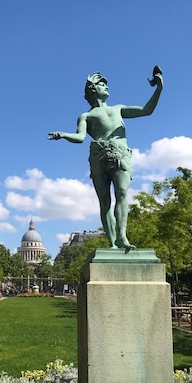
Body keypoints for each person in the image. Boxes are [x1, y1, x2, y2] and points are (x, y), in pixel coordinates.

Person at [48, 67, 163, 251]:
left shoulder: (118, 109)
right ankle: (112, 244)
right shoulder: (86, 116)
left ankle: (122, 236)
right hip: (98, 155)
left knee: (122, 194)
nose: (106, 87)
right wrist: (62, 134)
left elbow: (146, 111)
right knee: (105, 201)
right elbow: (80, 138)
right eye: (102, 85)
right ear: (93, 90)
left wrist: (159, 89)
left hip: (120, 154)